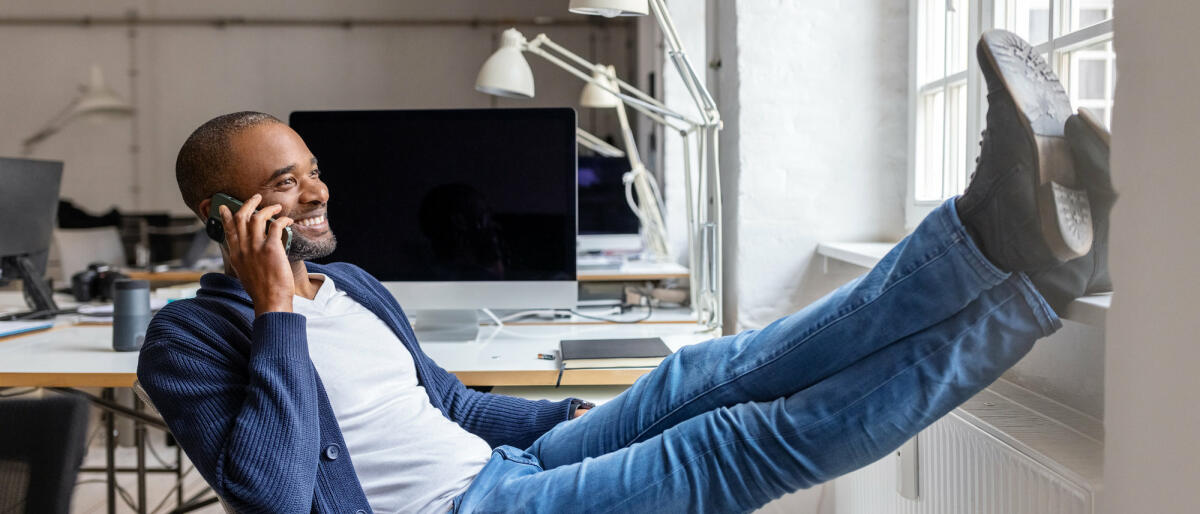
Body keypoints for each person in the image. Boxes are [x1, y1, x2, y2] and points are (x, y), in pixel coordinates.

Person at [137, 30, 1114, 514]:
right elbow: (266, 489)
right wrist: (275, 312)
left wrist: (583, 421)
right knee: (733, 443)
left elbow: (450, 406)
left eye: (311, 171)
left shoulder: (353, 287)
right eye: (281, 184)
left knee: (696, 381)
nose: (314, 195)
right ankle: (1023, 276)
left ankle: (1009, 243)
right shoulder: (187, 338)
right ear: (222, 214)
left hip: (508, 466)